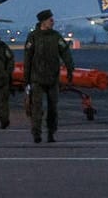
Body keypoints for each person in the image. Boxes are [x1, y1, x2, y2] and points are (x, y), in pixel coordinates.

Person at [22, 9, 74, 144]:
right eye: (50, 20)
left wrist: (70, 69)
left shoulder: (56, 37)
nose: (53, 22)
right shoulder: (33, 37)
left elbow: (65, 53)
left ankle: (51, 133)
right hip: (37, 79)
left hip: (52, 79)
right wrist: (26, 80)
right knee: (37, 108)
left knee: (53, 109)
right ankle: (36, 134)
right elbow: (27, 58)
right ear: (43, 22)